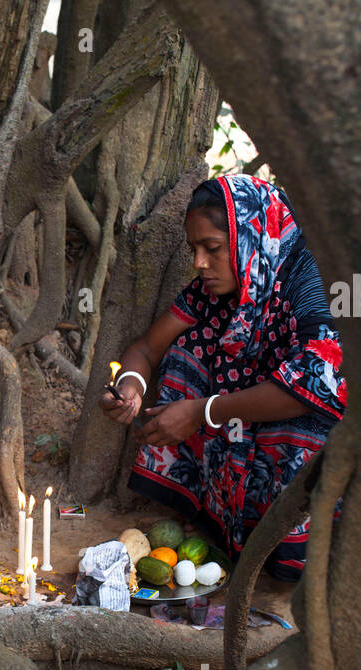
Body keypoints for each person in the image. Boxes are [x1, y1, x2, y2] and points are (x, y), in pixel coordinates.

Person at [99, 174, 345, 581]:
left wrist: (202, 411)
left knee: (309, 419)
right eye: (195, 248)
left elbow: (314, 384)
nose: (198, 262)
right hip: (245, 420)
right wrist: (131, 387)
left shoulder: (311, 281)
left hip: (312, 428)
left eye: (211, 248)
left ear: (250, 237)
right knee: (187, 351)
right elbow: (146, 349)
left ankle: (292, 545)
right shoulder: (213, 290)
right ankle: (221, 521)